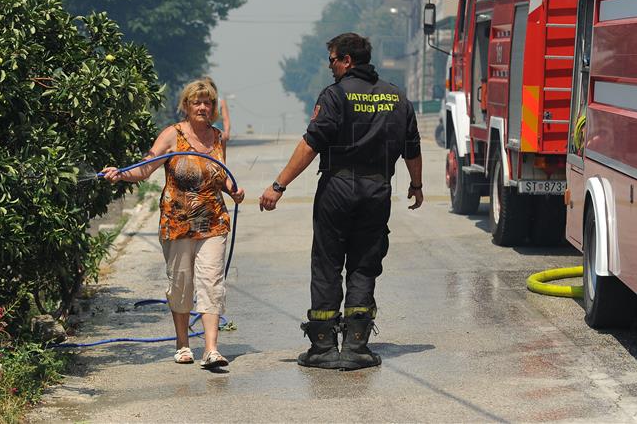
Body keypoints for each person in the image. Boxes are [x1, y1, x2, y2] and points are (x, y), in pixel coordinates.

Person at [258, 32, 423, 370]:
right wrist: (417, 185)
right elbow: (413, 147)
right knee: (364, 263)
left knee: (328, 263)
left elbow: (311, 143)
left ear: (347, 60)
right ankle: (357, 347)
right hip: (377, 190)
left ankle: (323, 348)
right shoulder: (397, 97)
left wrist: (279, 185)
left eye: (332, 59)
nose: (330, 66)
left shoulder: (335, 96)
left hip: (338, 189)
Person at [101, 79, 245, 369]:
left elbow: (220, 175)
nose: (203, 107)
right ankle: (182, 345)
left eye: (208, 102)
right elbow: (146, 167)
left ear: (214, 108)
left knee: (211, 282)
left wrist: (234, 190)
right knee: (181, 284)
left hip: (212, 221)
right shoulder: (172, 135)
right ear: (187, 106)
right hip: (177, 222)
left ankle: (212, 349)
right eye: (197, 102)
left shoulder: (217, 138)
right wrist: (121, 174)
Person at [202, 76, 231, 142]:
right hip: (202, 134)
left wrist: (227, 132)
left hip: (218, 135)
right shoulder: (199, 104)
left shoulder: (221, 102)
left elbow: (226, 119)